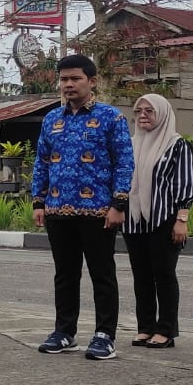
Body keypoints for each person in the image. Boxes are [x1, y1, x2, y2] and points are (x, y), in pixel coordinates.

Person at [32, 55, 134, 360]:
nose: (68, 84)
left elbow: (124, 163)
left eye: (75, 78)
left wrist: (119, 204)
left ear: (92, 81)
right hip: (58, 210)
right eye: (64, 79)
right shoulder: (52, 119)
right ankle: (64, 331)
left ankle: (105, 335)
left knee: (102, 274)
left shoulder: (111, 118)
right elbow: (42, 162)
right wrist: (39, 201)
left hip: (98, 212)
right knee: (64, 274)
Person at [123, 93, 193, 349]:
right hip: (134, 221)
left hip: (164, 219)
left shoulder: (177, 145)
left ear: (163, 114)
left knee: (164, 275)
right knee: (141, 275)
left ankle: (166, 330)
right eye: (138, 111)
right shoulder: (130, 144)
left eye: (149, 110)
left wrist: (182, 219)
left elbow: (186, 184)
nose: (143, 115)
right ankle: (145, 327)